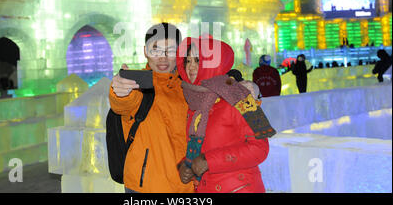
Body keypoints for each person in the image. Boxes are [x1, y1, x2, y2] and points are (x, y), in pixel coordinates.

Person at [176, 35, 275, 193]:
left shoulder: (241, 94)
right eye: (187, 61)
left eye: (197, 61)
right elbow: (201, 146)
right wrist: (185, 165)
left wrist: (209, 161)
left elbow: (261, 148)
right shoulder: (193, 101)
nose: (191, 67)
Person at [109, 22, 194, 193]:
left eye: (170, 50)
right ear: (145, 52)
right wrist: (119, 91)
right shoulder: (136, 85)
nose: (163, 58)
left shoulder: (190, 85)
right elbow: (123, 104)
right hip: (146, 187)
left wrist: (246, 85)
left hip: (188, 187)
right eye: (155, 50)